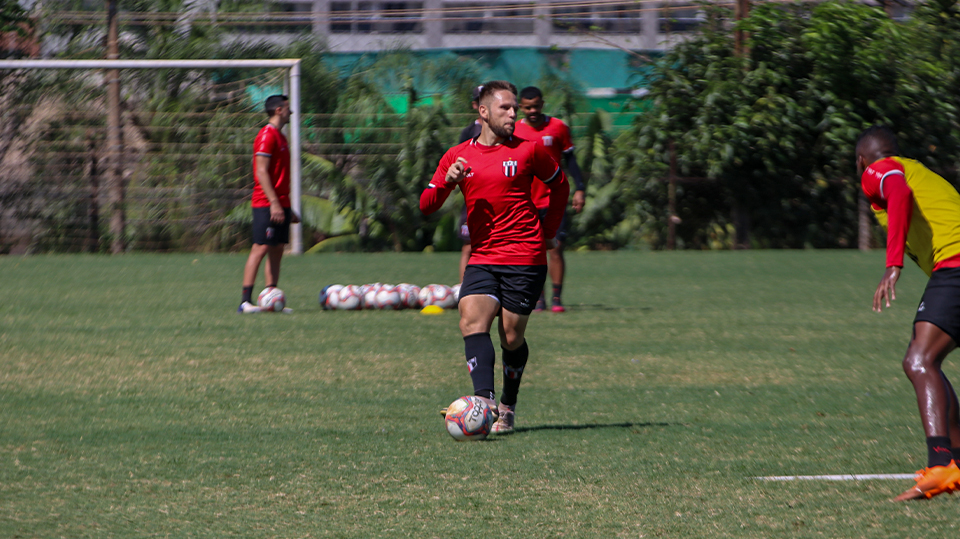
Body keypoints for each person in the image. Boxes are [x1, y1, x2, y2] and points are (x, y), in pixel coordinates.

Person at [421, 80, 569, 434]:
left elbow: (560, 185)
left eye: (515, 108)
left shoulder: (529, 150)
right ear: (483, 112)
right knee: (471, 320)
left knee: (511, 336)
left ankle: (508, 404)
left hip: (525, 256)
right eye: (505, 108)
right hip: (484, 256)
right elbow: (426, 206)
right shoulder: (457, 156)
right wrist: (446, 182)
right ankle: (484, 405)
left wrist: (548, 232)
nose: (513, 113)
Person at [855, 125, 960, 500]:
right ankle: (957, 465)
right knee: (929, 360)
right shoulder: (919, 172)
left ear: (861, 161)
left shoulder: (880, 171)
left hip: (957, 264)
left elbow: (895, 189)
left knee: (919, 361)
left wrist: (893, 263)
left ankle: (940, 466)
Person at [512, 86, 586, 312]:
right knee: (532, 250)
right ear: (520, 107)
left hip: (553, 198)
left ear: (542, 104)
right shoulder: (513, 131)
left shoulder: (558, 127)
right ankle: (538, 298)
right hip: (525, 200)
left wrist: (580, 188)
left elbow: (570, 160)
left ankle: (556, 298)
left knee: (555, 247)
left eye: (536, 106)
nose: (532, 111)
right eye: (527, 107)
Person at [238, 94, 300, 314]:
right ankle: (245, 301)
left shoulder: (281, 137)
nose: (290, 112)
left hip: (280, 202)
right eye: (287, 108)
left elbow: (279, 175)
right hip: (266, 202)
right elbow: (261, 171)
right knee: (261, 247)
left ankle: (270, 298)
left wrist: (286, 207)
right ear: (278, 110)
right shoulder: (267, 135)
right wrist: (274, 203)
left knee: (277, 249)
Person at [456, 85, 484, 282]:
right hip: (475, 199)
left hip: (501, 197)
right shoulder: (468, 133)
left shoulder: (506, 130)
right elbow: (459, 163)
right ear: (476, 105)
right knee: (469, 246)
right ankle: (464, 291)